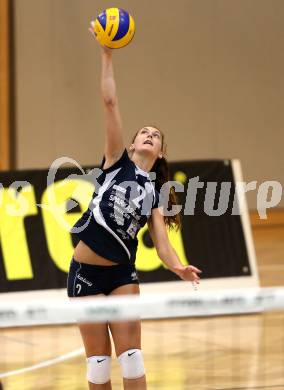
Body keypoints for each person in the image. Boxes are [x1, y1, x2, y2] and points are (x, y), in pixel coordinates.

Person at [67, 24, 202, 390]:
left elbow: (161, 243)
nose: (149, 135)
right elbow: (109, 102)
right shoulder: (116, 162)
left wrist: (178, 267)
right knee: (97, 365)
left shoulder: (156, 193)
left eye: (155, 135)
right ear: (130, 145)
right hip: (85, 274)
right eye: (144, 132)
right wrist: (106, 53)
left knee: (132, 358)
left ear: (160, 153)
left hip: (122, 276)